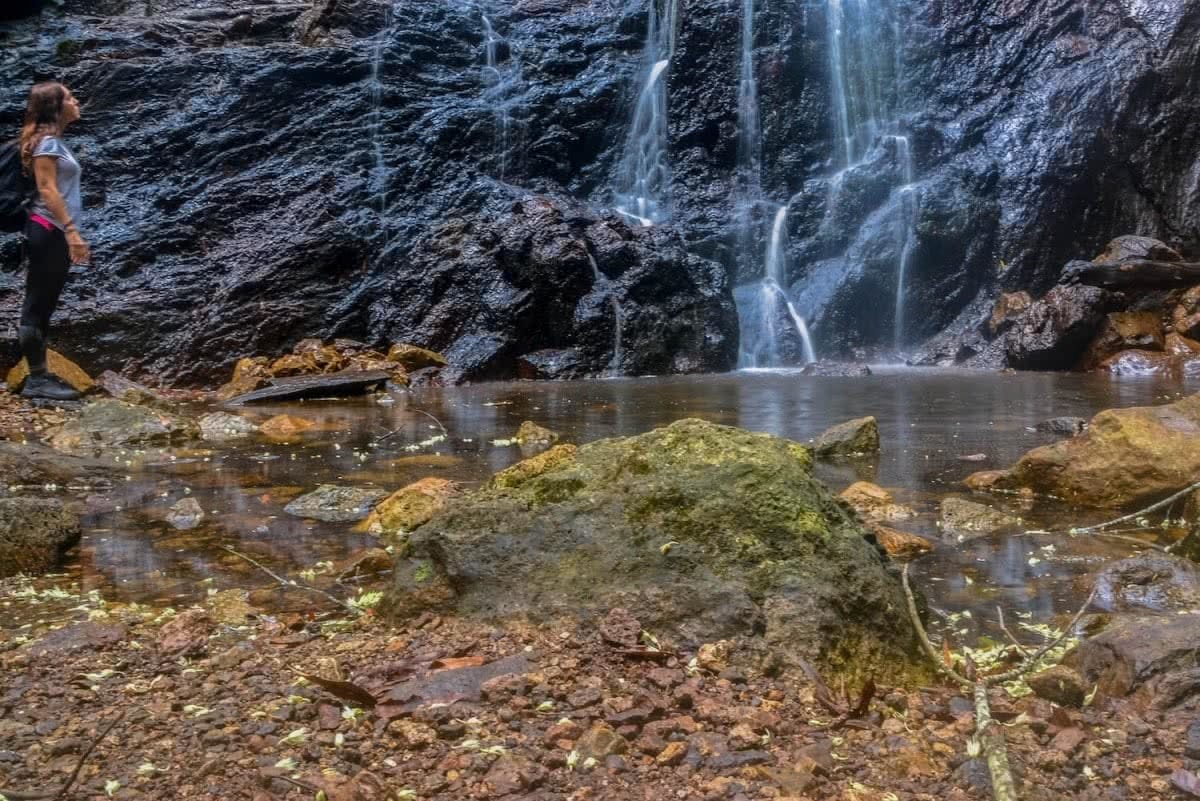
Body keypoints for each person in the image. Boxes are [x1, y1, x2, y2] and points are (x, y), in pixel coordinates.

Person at [18, 81, 89, 401]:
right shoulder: (47, 144)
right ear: (56, 107)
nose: (76, 102)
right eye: (70, 98)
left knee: (44, 305)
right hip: (47, 228)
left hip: (52, 230)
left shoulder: (53, 142)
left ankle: (41, 375)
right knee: (36, 306)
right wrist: (72, 232)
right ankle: (36, 379)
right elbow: (47, 189)